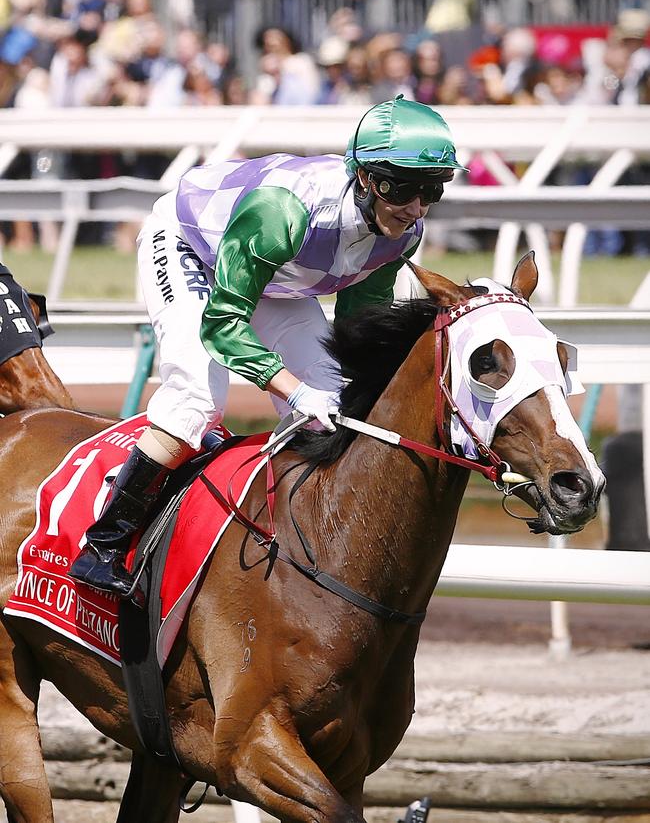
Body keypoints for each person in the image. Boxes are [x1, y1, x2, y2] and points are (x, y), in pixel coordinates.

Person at [69, 94, 466, 599]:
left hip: (276, 276)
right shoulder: (283, 211)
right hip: (191, 246)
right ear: (365, 177)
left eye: (432, 189)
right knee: (197, 401)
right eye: (403, 188)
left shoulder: (402, 233)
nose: (415, 207)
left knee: (334, 401)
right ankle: (104, 543)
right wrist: (292, 391)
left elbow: (357, 327)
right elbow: (222, 327)